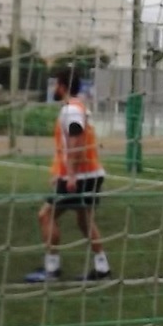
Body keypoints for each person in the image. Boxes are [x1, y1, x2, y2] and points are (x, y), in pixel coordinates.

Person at [25, 69, 110, 282]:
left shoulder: (71, 109)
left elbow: (75, 138)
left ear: (62, 86)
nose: (55, 89)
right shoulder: (78, 107)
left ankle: (52, 268)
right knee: (85, 220)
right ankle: (102, 267)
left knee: (46, 215)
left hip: (80, 176)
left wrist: (70, 175)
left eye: (56, 84)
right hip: (91, 172)